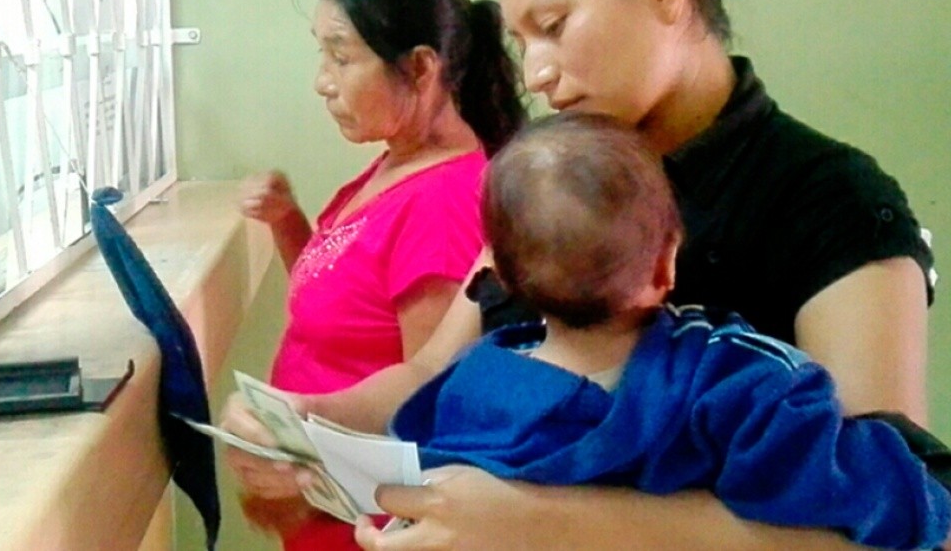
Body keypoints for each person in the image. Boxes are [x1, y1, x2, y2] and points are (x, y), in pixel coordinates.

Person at [222, 0, 939, 547]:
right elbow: (428, 374)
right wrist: (307, 422)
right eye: (520, 42)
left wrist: (539, 523)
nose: (535, 72)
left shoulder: (829, 200)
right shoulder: (548, 183)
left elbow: (887, 520)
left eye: (555, 25)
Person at [387, 113, 950, 550]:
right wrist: (926, 491)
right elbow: (826, 480)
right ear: (665, 266)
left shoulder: (470, 386)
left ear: (502, 279)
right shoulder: (727, 381)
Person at [233, 0, 525, 550]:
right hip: (319, 510)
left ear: (421, 67)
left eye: (341, 58)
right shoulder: (394, 163)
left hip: (363, 527)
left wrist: (305, 427)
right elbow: (338, 309)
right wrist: (290, 223)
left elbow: (425, 396)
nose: (322, 82)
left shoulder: (446, 202)